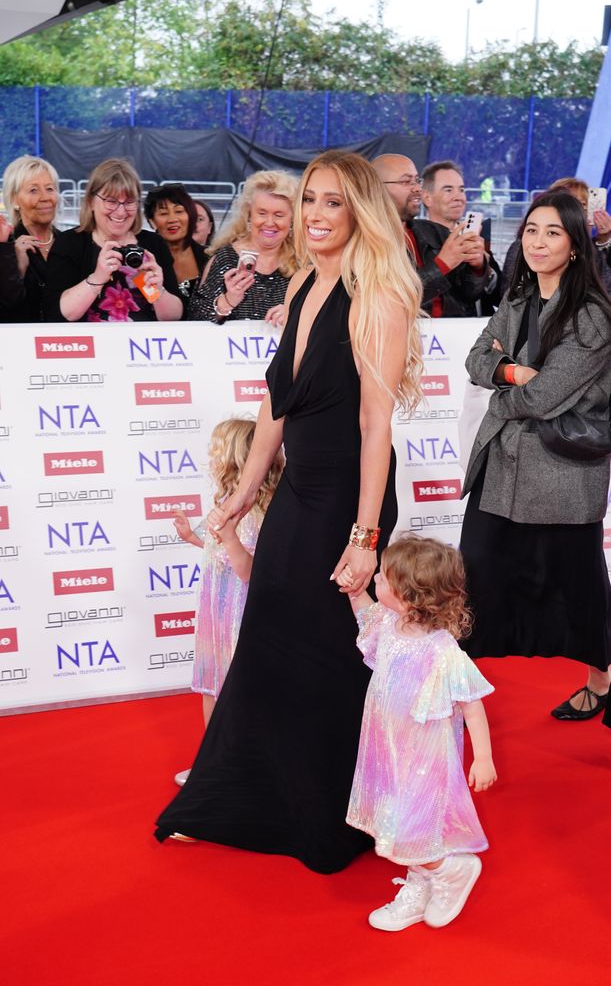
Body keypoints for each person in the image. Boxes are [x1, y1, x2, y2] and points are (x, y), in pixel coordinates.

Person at [155, 150, 424, 873]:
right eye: (310, 200)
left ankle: (333, 813)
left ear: (359, 209)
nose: (315, 215)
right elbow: (276, 398)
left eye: (333, 202)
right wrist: (243, 494)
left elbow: (375, 424)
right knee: (270, 637)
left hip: (346, 494)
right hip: (299, 486)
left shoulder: (378, 295)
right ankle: (242, 797)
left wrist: (366, 536)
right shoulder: (302, 280)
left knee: (328, 653)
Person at [460, 191, 611, 719]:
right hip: (501, 467)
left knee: (578, 588)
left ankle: (602, 679)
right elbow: (476, 359)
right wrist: (509, 372)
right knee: (476, 575)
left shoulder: (592, 315)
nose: (538, 242)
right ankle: (457, 696)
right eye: (531, 230)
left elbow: (544, 398)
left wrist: (511, 384)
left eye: (553, 232)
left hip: (564, 475)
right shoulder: (517, 299)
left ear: (575, 246)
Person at [345, 534, 496, 932]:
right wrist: (354, 593)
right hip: (389, 748)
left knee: (410, 826)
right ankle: (421, 880)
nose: (374, 581)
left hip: (426, 758)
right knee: (400, 820)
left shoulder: (442, 651)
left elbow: (473, 705)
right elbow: (366, 617)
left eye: (381, 580)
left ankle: (449, 871)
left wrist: (483, 758)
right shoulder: (391, 624)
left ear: (410, 597)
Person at [170, 418, 284, 789]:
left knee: (239, 690)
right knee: (210, 686)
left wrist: (230, 536)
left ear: (235, 458)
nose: (210, 458)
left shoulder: (258, 512)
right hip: (215, 615)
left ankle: (246, 766)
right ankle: (211, 764)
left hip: (240, 615)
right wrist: (194, 538)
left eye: (216, 451)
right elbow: (219, 553)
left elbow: (249, 570)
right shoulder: (224, 504)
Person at [44, 158, 182, 322]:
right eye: (111, 201)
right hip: (89, 346)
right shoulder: (70, 243)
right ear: (91, 202)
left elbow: (175, 318)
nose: (121, 212)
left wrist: (158, 291)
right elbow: (58, 314)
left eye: (129, 201)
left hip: (142, 345)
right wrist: (97, 278)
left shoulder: (154, 244)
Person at [186, 169, 298, 328]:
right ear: (249, 216)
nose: (269, 222)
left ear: (292, 220)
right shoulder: (225, 258)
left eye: (279, 215)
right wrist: (228, 301)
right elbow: (194, 321)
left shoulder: (304, 262)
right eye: (262, 213)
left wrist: (295, 312)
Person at [410, 159, 492, 317]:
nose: (458, 197)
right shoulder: (410, 239)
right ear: (426, 198)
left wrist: (481, 267)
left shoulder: (479, 239)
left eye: (461, 190)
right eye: (448, 190)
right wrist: (443, 263)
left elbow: (492, 295)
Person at [0, 155, 60, 322]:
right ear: (14, 199)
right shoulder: (6, 247)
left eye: (50, 188)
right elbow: (9, 304)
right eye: (33, 190)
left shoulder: (71, 242)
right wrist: (16, 268)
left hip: (68, 344)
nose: (45, 197)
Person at [144, 184, 208, 308]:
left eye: (179, 211)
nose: (172, 219)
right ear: (152, 222)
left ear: (191, 215)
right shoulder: (145, 261)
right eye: (163, 213)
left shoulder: (210, 257)